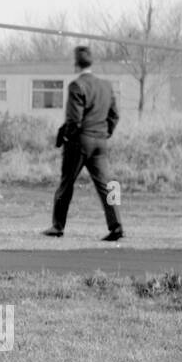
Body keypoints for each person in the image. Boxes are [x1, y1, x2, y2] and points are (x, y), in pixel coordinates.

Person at [42, 46, 124, 241]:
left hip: (81, 141)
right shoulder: (106, 85)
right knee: (108, 185)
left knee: (66, 183)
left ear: (76, 63)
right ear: (91, 62)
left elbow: (74, 119)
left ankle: (57, 226)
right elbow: (115, 115)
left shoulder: (76, 86)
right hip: (100, 141)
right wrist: (105, 132)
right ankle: (117, 225)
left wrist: (68, 136)